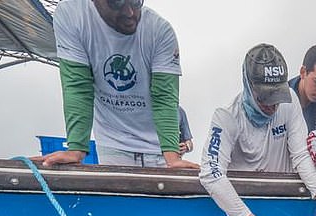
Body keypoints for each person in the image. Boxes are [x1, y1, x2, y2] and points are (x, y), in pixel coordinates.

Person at [199, 43, 316, 216]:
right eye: (265, 97)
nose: (272, 106)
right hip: (243, 212)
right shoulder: (225, 116)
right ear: (248, 85)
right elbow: (210, 173)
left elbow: (301, 155)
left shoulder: (290, 102)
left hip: (282, 202)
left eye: (277, 96)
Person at [37, 0, 197, 169]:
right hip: (113, 145)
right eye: (116, 3)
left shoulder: (160, 30)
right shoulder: (72, 15)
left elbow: (164, 97)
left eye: (136, 2)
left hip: (160, 148)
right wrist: (75, 149)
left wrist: (173, 158)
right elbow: (78, 86)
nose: (129, 12)